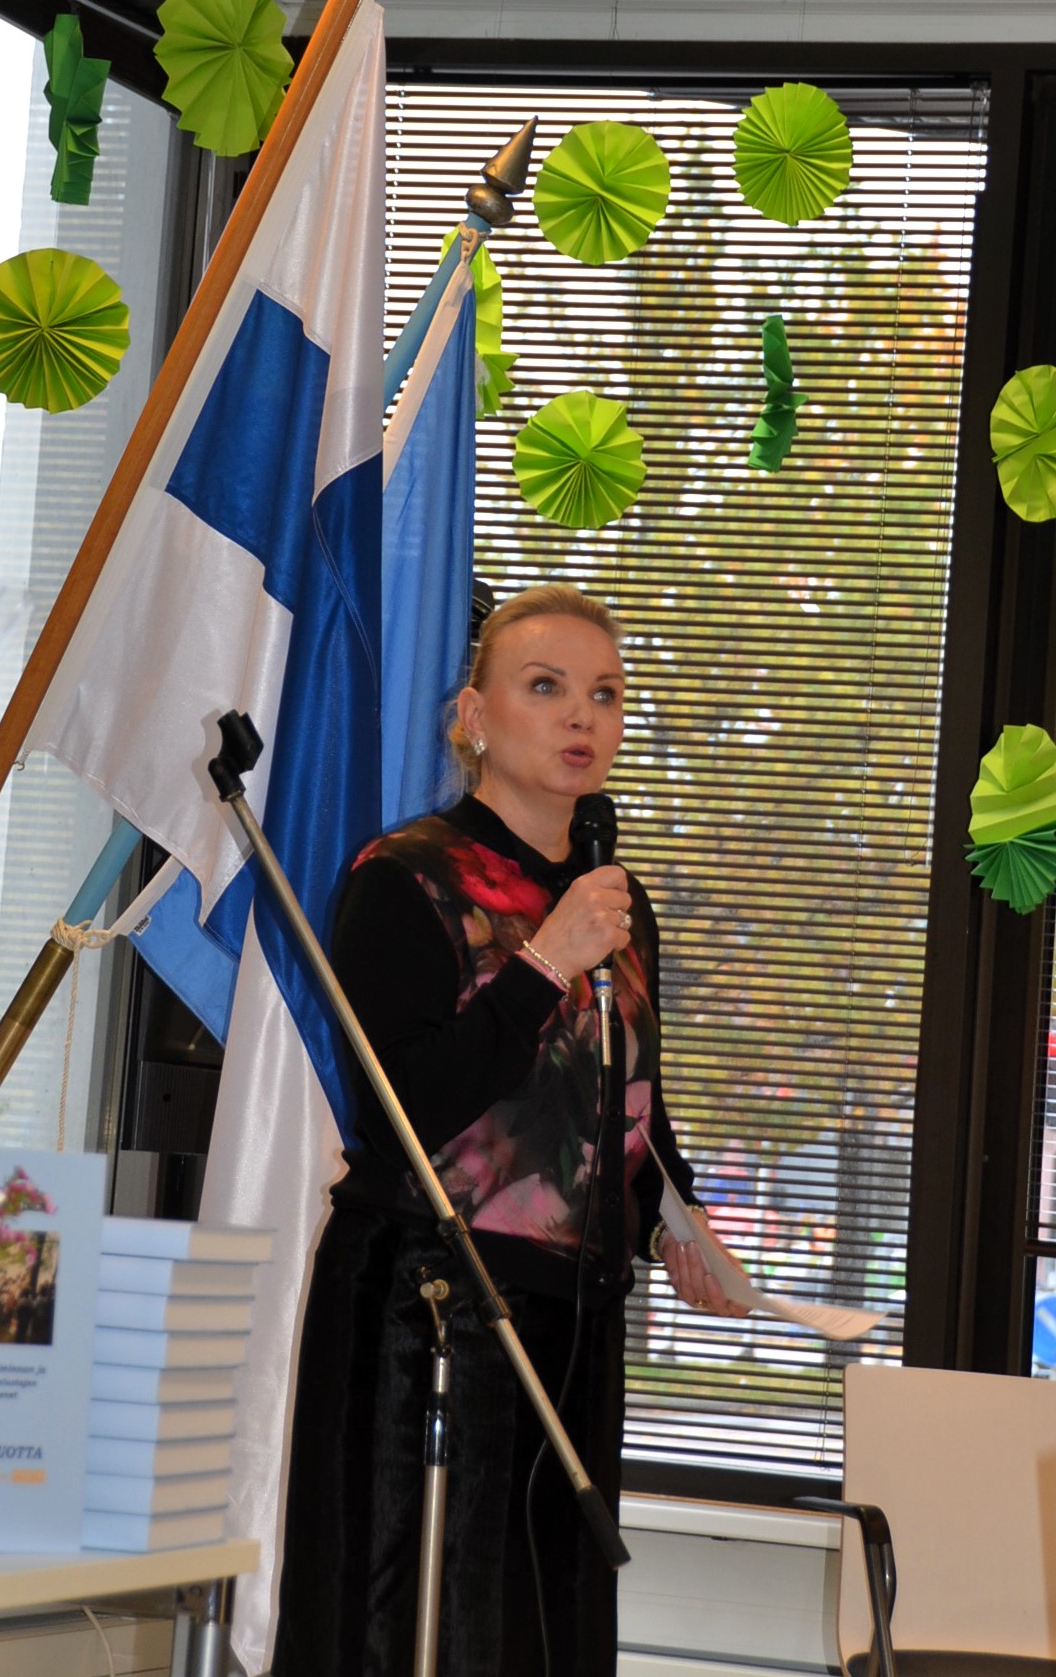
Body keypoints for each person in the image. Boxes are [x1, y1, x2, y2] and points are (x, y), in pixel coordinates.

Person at [272, 584, 744, 1677]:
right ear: (474, 717)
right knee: (413, 1625)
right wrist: (543, 962)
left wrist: (679, 1218)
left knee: (544, 1624)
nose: (583, 716)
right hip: (427, 1307)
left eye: (605, 694)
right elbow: (399, 1105)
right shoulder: (406, 877)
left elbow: (624, 1094)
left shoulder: (614, 901)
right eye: (546, 687)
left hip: (574, 1312)